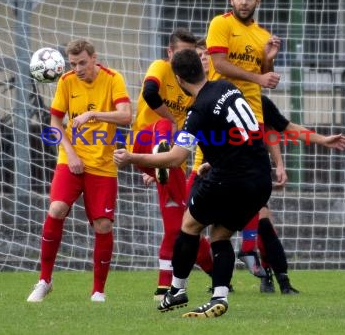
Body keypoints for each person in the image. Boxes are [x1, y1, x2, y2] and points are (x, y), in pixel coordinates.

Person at [114, 48, 272, 318]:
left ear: (178, 79)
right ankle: (219, 295)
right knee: (220, 234)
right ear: (203, 69)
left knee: (188, 225)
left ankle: (177, 289)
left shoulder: (197, 111)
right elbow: (239, 129)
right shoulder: (226, 86)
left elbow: (175, 158)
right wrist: (216, 158)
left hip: (231, 180)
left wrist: (131, 157)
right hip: (260, 178)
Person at [26, 39, 132, 303]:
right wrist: (70, 153)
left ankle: (98, 291)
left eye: (82, 62)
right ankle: (44, 280)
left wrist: (94, 116)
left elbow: (126, 116)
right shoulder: (66, 81)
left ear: (94, 58)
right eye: (73, 64)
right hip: (70, 160)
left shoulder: (112, 79)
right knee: (56, 209)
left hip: (102, 164)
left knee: (103, 224)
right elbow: (54, 121)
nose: (78, 68)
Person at [205, 0, 282, 281]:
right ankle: (224, 247)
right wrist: (259, 78)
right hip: (221, 110)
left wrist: (269, 62)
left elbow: (266, 77)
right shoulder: (220, 24)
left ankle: (248, 248)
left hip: (252, 115)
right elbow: (220, 65)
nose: (245, 2)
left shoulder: (263, 35)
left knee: (254, 184)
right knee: (217, 179)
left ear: (257, 1)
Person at [129, 28, 212, 299]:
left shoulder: (195, 84)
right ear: (169, 53)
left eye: (190, 54)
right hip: (143, 144)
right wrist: (172, 120)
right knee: (163, 124)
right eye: (181, 53)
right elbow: (151, 93)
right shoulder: (161, 68)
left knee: (182, 222)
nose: (185, 59)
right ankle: (166, 283)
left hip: (172, 162)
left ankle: (214, 269)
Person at [255, 94, 345, 293]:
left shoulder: (258, 99)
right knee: (205, 230)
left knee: (262, 222)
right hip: (217, 171)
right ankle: (218, 281)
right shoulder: (213, 96)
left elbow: (279, 128)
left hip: (250, 173)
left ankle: (279, 279)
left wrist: (322, 140)